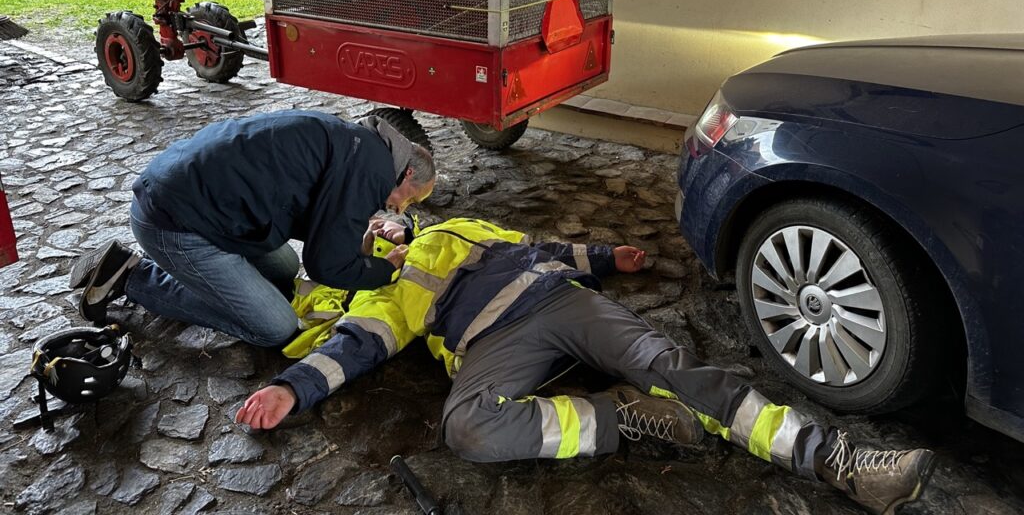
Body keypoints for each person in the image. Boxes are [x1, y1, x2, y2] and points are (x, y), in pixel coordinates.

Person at [236, 216, 935, 515]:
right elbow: (354, 347)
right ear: (351, 256)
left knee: (670, 365)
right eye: (366, 235)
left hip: (558, 298)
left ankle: (837, 460)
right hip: (493, 344)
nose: (382, 232)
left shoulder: (457, 226)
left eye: (383, 221)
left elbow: (538, 245)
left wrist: (604, 258)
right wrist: (291, 390)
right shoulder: (379, 296)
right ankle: (620, 417)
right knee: (469, 429)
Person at [71, 110, 435, 347]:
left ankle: (215, 278)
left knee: (285, 269)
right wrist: (386, 270)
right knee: (276, 327)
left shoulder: (363, 146)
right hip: (174, 222)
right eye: (412, 199)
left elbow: (322, 217)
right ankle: (132, 277)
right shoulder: (372, 173)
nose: (402, 208)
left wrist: (359, 231)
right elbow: (326, 265)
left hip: (189, 194)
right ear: (406, 173)